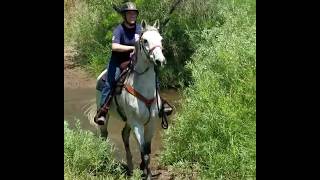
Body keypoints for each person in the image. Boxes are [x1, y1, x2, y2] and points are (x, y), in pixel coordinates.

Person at [94, 2, 172, 125]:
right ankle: (103, 110)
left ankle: (160, 103)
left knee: (153, 76)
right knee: (110, 81)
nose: (132, 16)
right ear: (124, 15)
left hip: (135, 60)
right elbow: (114, 47)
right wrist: (131, 49)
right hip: (118, 61)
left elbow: (147, 41)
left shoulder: (140, 29)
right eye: (129, 14)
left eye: (134, 14)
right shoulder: (119, 30)